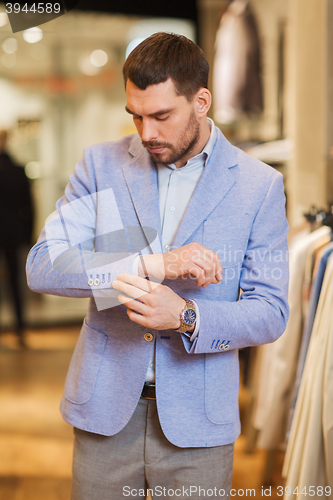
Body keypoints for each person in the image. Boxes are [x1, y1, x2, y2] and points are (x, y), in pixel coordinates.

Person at [26, 33, 289, 499]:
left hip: (198, 424)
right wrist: (151, 264)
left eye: (162, 116)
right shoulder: (100, 165)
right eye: (136, 115)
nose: (147, 132)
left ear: (201, 101)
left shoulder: (259, 185)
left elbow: (270, 311)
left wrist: (188, 316)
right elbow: (44, 265)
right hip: (104, 414)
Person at [0, 129, 33, 348]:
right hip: (13, 234)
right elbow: (29, 207)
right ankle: (20, 330)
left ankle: (20, 330)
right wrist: (28, 236)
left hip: (11, 234)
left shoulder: (18, 170)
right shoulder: (17, 170)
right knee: (15, 284)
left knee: (14, 283)